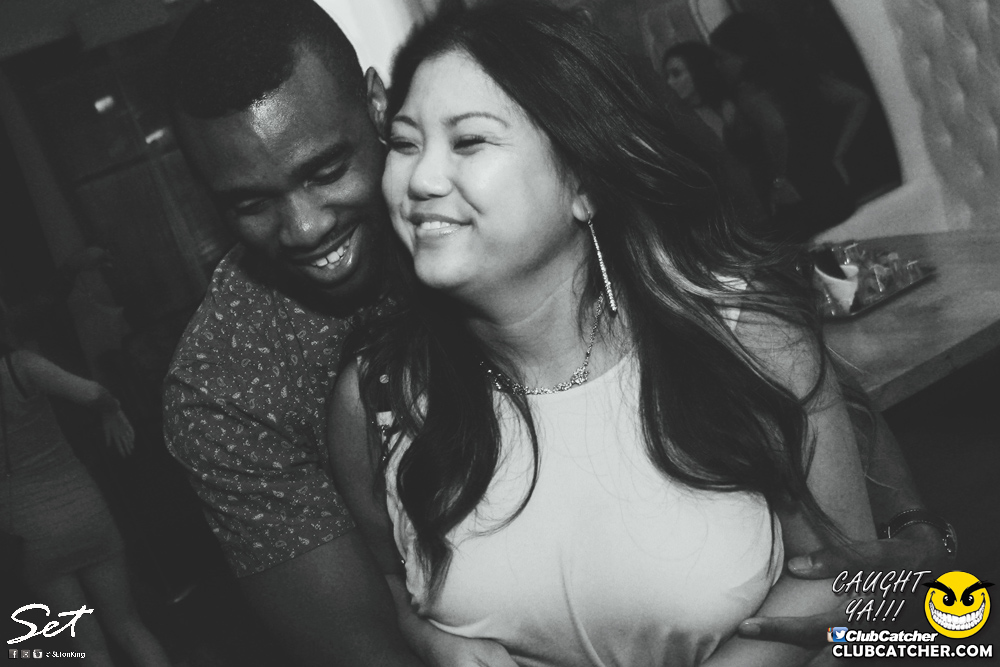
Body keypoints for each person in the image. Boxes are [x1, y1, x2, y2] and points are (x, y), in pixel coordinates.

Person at [161, 0, 948, 664]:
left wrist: (911, 551)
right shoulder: (237, 389)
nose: (304, 227)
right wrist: (428, 635)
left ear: (373, 108)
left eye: (327, 169)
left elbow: (789, 403)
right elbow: (370, 636)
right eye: (249, 203)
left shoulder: (669, 288)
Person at [1, 338, 170, 667]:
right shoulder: (21, 365)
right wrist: (112, 411)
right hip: (84, 511)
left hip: (29, 533)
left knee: (89, 647)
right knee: (128, 625)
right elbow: (93, 393)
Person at [709, 13, 869, 239]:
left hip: (794, 197)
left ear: (744, 56)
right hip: (830, 184)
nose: (716, 66)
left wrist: (778, 181)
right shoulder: (798, 76)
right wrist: (838, 155)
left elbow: (775, 128)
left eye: (721, 58)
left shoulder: (748, 92)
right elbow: (858, 99)